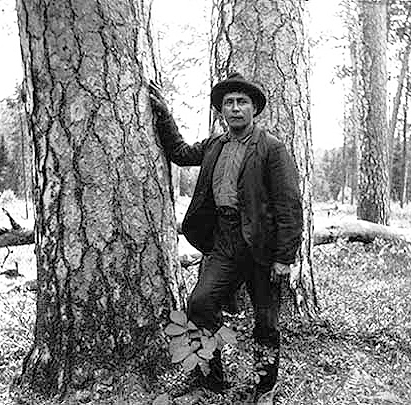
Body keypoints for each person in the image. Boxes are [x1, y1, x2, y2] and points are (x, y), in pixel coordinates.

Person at [149, 72, 303, 402]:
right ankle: (211, 381)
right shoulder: (214, 145)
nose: (235, 108)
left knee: (266, 319)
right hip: (224, 240)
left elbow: (289, 205)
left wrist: (284, 258)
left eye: (242, 102)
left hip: (262, 246)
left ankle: (265, 385)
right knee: (200, 304)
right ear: (221, 110)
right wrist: (164, 115)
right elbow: (179, 152)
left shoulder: (272, 149)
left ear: (254, 110)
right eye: (228, 103)